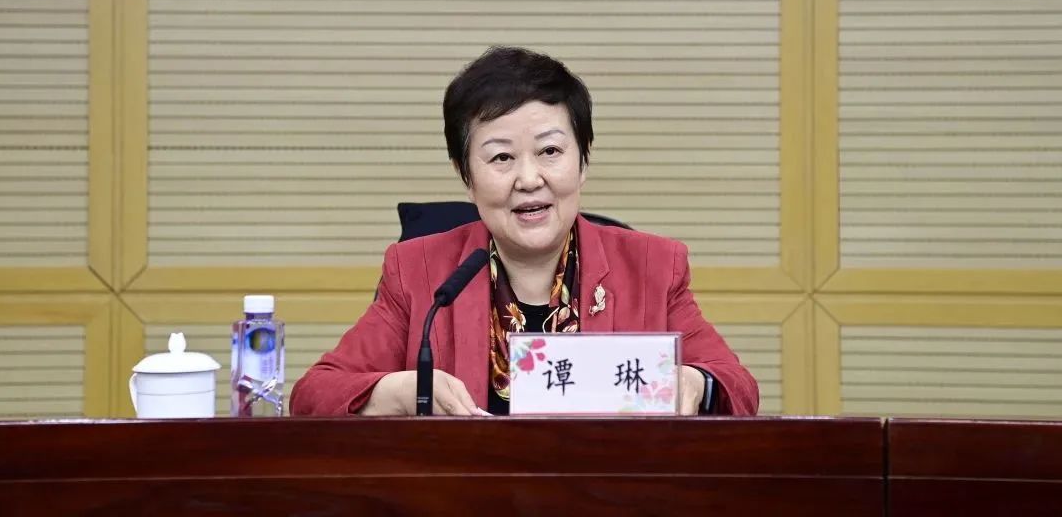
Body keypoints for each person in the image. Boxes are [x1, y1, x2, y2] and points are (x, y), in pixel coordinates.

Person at [290, 47, 759, 416]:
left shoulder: (653, 268)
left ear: (583, 161)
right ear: (465, 175)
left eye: (550, 152)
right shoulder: (420, 272)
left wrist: (694, 383)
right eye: (501, 157)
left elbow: (738, 388)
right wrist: (400, 392)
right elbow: (313, 394)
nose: (529, 179)